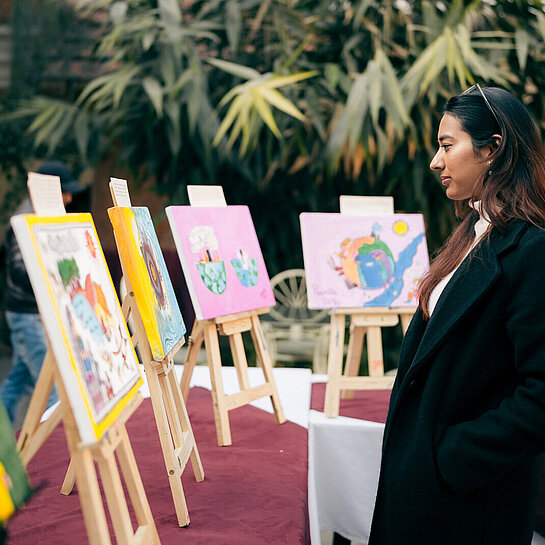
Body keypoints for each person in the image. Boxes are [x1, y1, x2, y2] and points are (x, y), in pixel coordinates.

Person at [369, 86, 545, 545]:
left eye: (448, 145)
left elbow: (541, 394)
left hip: (471, 503)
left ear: (493, 148)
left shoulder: (532, 248)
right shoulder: (473, 232)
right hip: (427, 490)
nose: (435, 160)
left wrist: (450, 456)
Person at [1, 161, 85, 425]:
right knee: (52, 391)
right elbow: (19, 271)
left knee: (19, 381)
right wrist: (60, 271)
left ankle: (5, 445)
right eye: (65, 191)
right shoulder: (25, 220)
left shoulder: (42, 215)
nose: (69, 198)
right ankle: (48, 454)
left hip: (34, 314)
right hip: (28, 315)